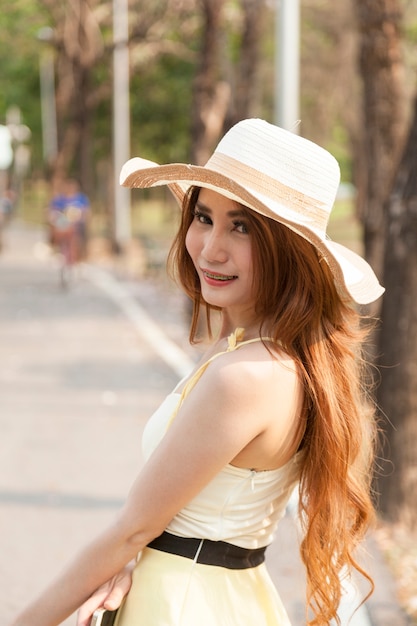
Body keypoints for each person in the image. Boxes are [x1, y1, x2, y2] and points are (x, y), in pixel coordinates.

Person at [10, 119, 384, 626]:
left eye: (242, 227)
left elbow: (131, 529)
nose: (210, 247)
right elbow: (165, 529)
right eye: (204, 217)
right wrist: (142, 562)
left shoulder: (247, 376)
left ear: (292, 252)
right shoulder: (270, 357)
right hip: (208, 593)